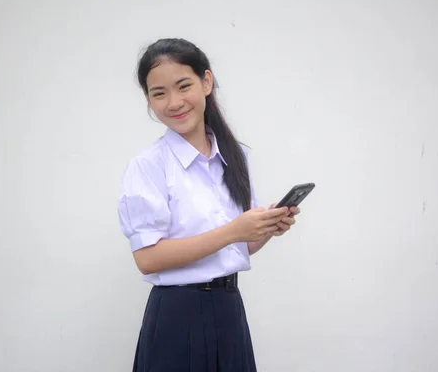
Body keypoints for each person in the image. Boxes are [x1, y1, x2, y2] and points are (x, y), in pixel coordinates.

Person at [117, 38, 301, 372]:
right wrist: (233, 231)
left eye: (183, 86)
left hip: (229, 309)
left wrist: (266, 229)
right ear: (148, 99)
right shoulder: (148, 166)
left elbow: (236, 247)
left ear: (206, 81)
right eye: (159, 93)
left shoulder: (233, 156)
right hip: (176, 316)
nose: (174, 102)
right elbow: (147, 258)